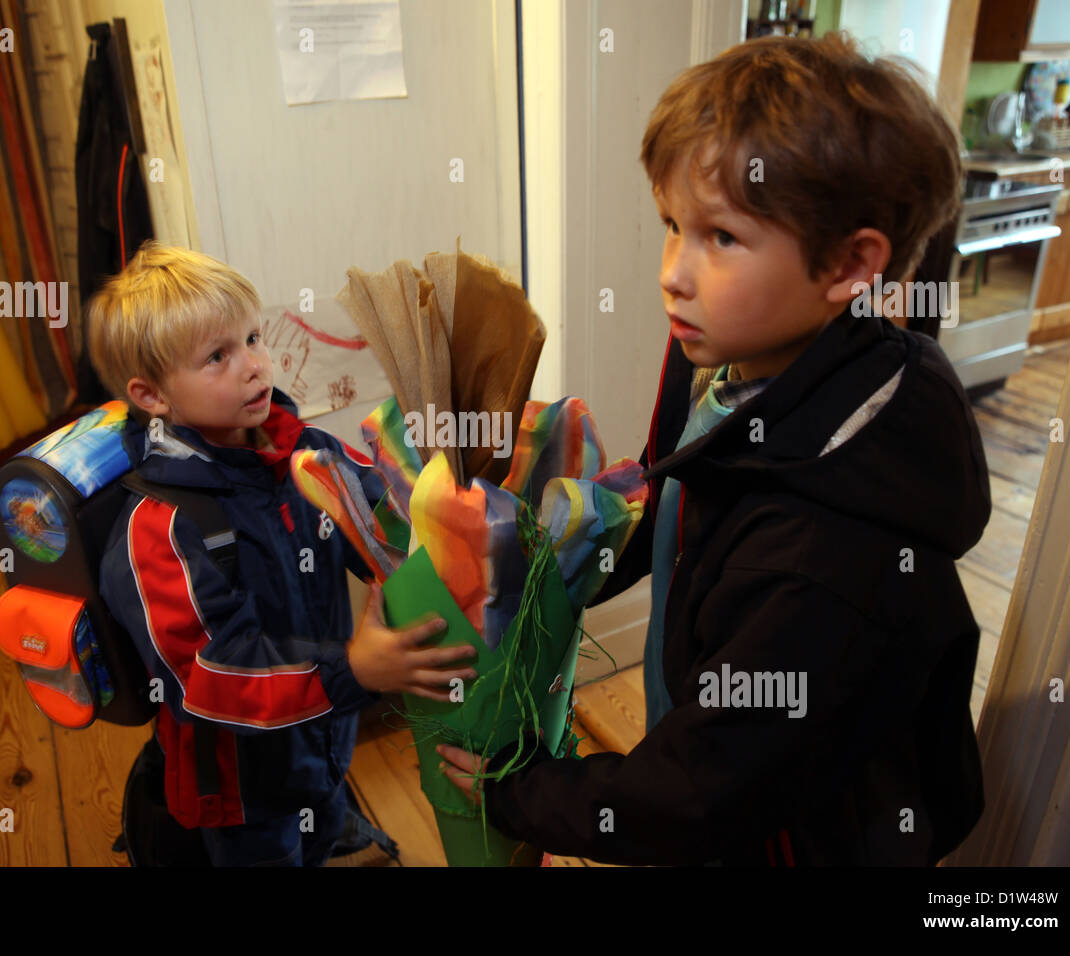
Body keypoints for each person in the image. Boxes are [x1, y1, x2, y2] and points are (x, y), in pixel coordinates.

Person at [438, 32, 989, 866]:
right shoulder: (722, 359)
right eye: (671, 225)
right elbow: (681, 496)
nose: (672, 272)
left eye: (721, 238)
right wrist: (559, 562)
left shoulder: (823, 560)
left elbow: (697, 792)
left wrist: (523, 793)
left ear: (850, 264)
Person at [90, 241, 477, 866]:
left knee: (321, 826)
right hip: (242, 788)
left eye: (252, 338)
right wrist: (353, 670)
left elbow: (388, 526)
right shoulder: (160, 531)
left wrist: (456, 519)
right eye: (217, 356)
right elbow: (211, 676)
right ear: (154, 396)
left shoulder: (308, 453)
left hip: (322, 733)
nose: (254, 366)